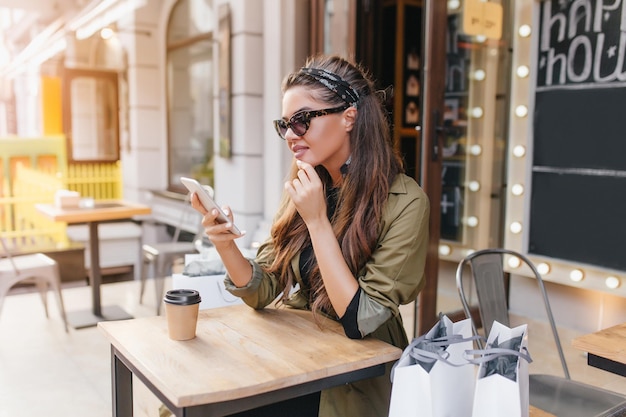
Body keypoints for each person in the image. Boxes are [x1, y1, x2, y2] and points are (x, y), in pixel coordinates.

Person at [190, 54, 430, 417]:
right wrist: (224, 243)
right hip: (297, 353)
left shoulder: (406, 202)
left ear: (348, 116)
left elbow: (360, 319)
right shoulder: (306, 182)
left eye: (301, 121)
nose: (289, 135)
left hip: (354, 375)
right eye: (284, 124)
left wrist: (318, 222)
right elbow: (262, 290)